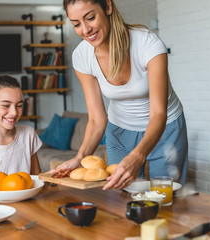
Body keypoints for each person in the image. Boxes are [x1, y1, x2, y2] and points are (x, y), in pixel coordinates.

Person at [53, 0, 188, 190]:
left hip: (165, 129)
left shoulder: (147, 43)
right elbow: (96, 119)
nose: (85, 29)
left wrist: (138, 155)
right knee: (121, 198)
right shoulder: (82, 56)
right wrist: (79, 158)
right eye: (76, 24)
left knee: (165, 198)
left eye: (90, 17)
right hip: (120, 131)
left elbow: (158, 114)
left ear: (107, 7)